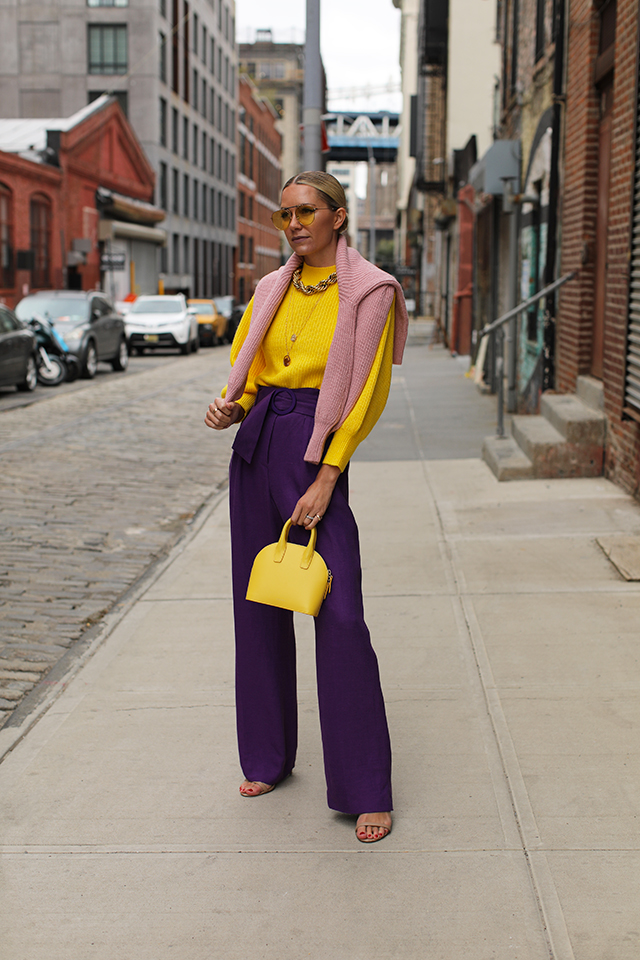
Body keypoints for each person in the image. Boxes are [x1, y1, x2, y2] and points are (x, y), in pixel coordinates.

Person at [204, 171, 408, 843]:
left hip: (314, 446)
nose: (293, 223)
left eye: (307, 211)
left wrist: (328, 475)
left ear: (338, 218)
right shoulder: (270, 287)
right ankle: (267, 755)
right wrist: (230, 405)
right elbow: (248, 368)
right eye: (284, 213)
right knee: (259, 602)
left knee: (340, 612)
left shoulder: (370, 290)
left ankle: (364, 786)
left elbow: (367, 393)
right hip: (260, 436)